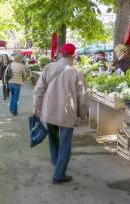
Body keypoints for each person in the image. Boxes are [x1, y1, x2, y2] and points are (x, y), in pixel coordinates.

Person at [33, 43, 89, 184]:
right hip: (66, 113)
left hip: (48, 110)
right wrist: (83, 113)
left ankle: (56, 161)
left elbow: (39, 89)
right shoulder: (77, 72)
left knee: (53, 138)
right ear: (73, 55)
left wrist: (36, 107)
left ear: (60, 54)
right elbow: (83, 97)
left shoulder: (49, 67)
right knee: (65, 143)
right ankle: (59, 174)